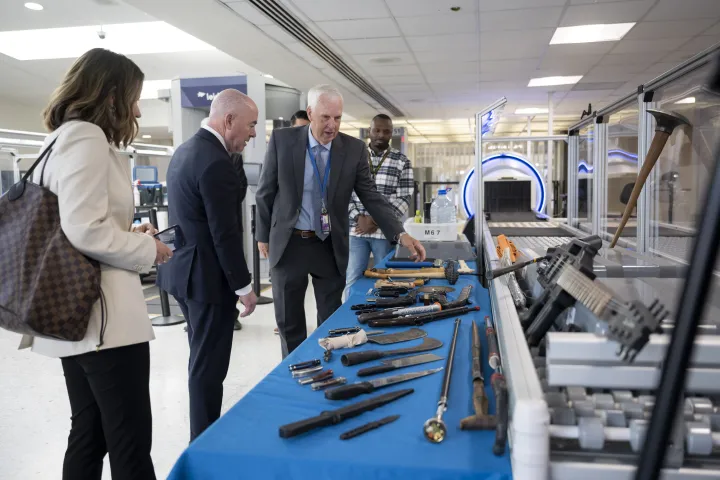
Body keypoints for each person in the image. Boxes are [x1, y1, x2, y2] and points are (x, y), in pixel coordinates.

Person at [19, 48, 171, 480]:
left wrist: (128, 234)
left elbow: (83, 221)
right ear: (110, 95)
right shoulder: (85, 137)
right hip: (103, 321)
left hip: (75, 318)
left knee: (90, 432)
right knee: (129, 439)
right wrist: (148, 251)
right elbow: (83, 229)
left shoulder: (59, 138)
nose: (138, 108)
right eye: (135, 97)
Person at [255, 84, 426, 358]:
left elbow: (371, 196)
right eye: (325, 117)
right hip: (289, 245)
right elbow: (266, 192)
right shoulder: (282, 141)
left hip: (328, 245)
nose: (332, 125)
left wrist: (400, 234)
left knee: (331, 318)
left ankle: (328, 366)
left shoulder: (353, 149)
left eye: (337, 118)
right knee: (289, 323)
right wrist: (262, 236)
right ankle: (294, 371)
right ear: (310, 113)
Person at [157, 89, 258, 441]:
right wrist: (244, 287)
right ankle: (202, 442)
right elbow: (224, 234)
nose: (253, 133)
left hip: (182, 273)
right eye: (251, 125)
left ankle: (202, 434)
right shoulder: (216, 162)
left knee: (200, 358)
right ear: (229, 120)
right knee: (208, 368)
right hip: (206, 280)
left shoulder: (185, 150)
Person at [345, 114, 414, 298]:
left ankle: (379, 312)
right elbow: (344, 192)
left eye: (386, 131)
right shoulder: (353, 158)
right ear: (369, 131)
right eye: (377, 130)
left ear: (392, 134)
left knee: (384, 278)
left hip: (384, 233)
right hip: (356, 231)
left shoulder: (402, 161)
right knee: (352, 278)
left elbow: (404, 197)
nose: (381, 135)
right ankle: (349, 317)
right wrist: (358, 218)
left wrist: (378, 219)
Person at [230, 151, 248, 332]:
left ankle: (232, 314)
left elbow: (241, 188)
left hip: (230, 223)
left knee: (232, 267)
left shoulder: (234, 157)